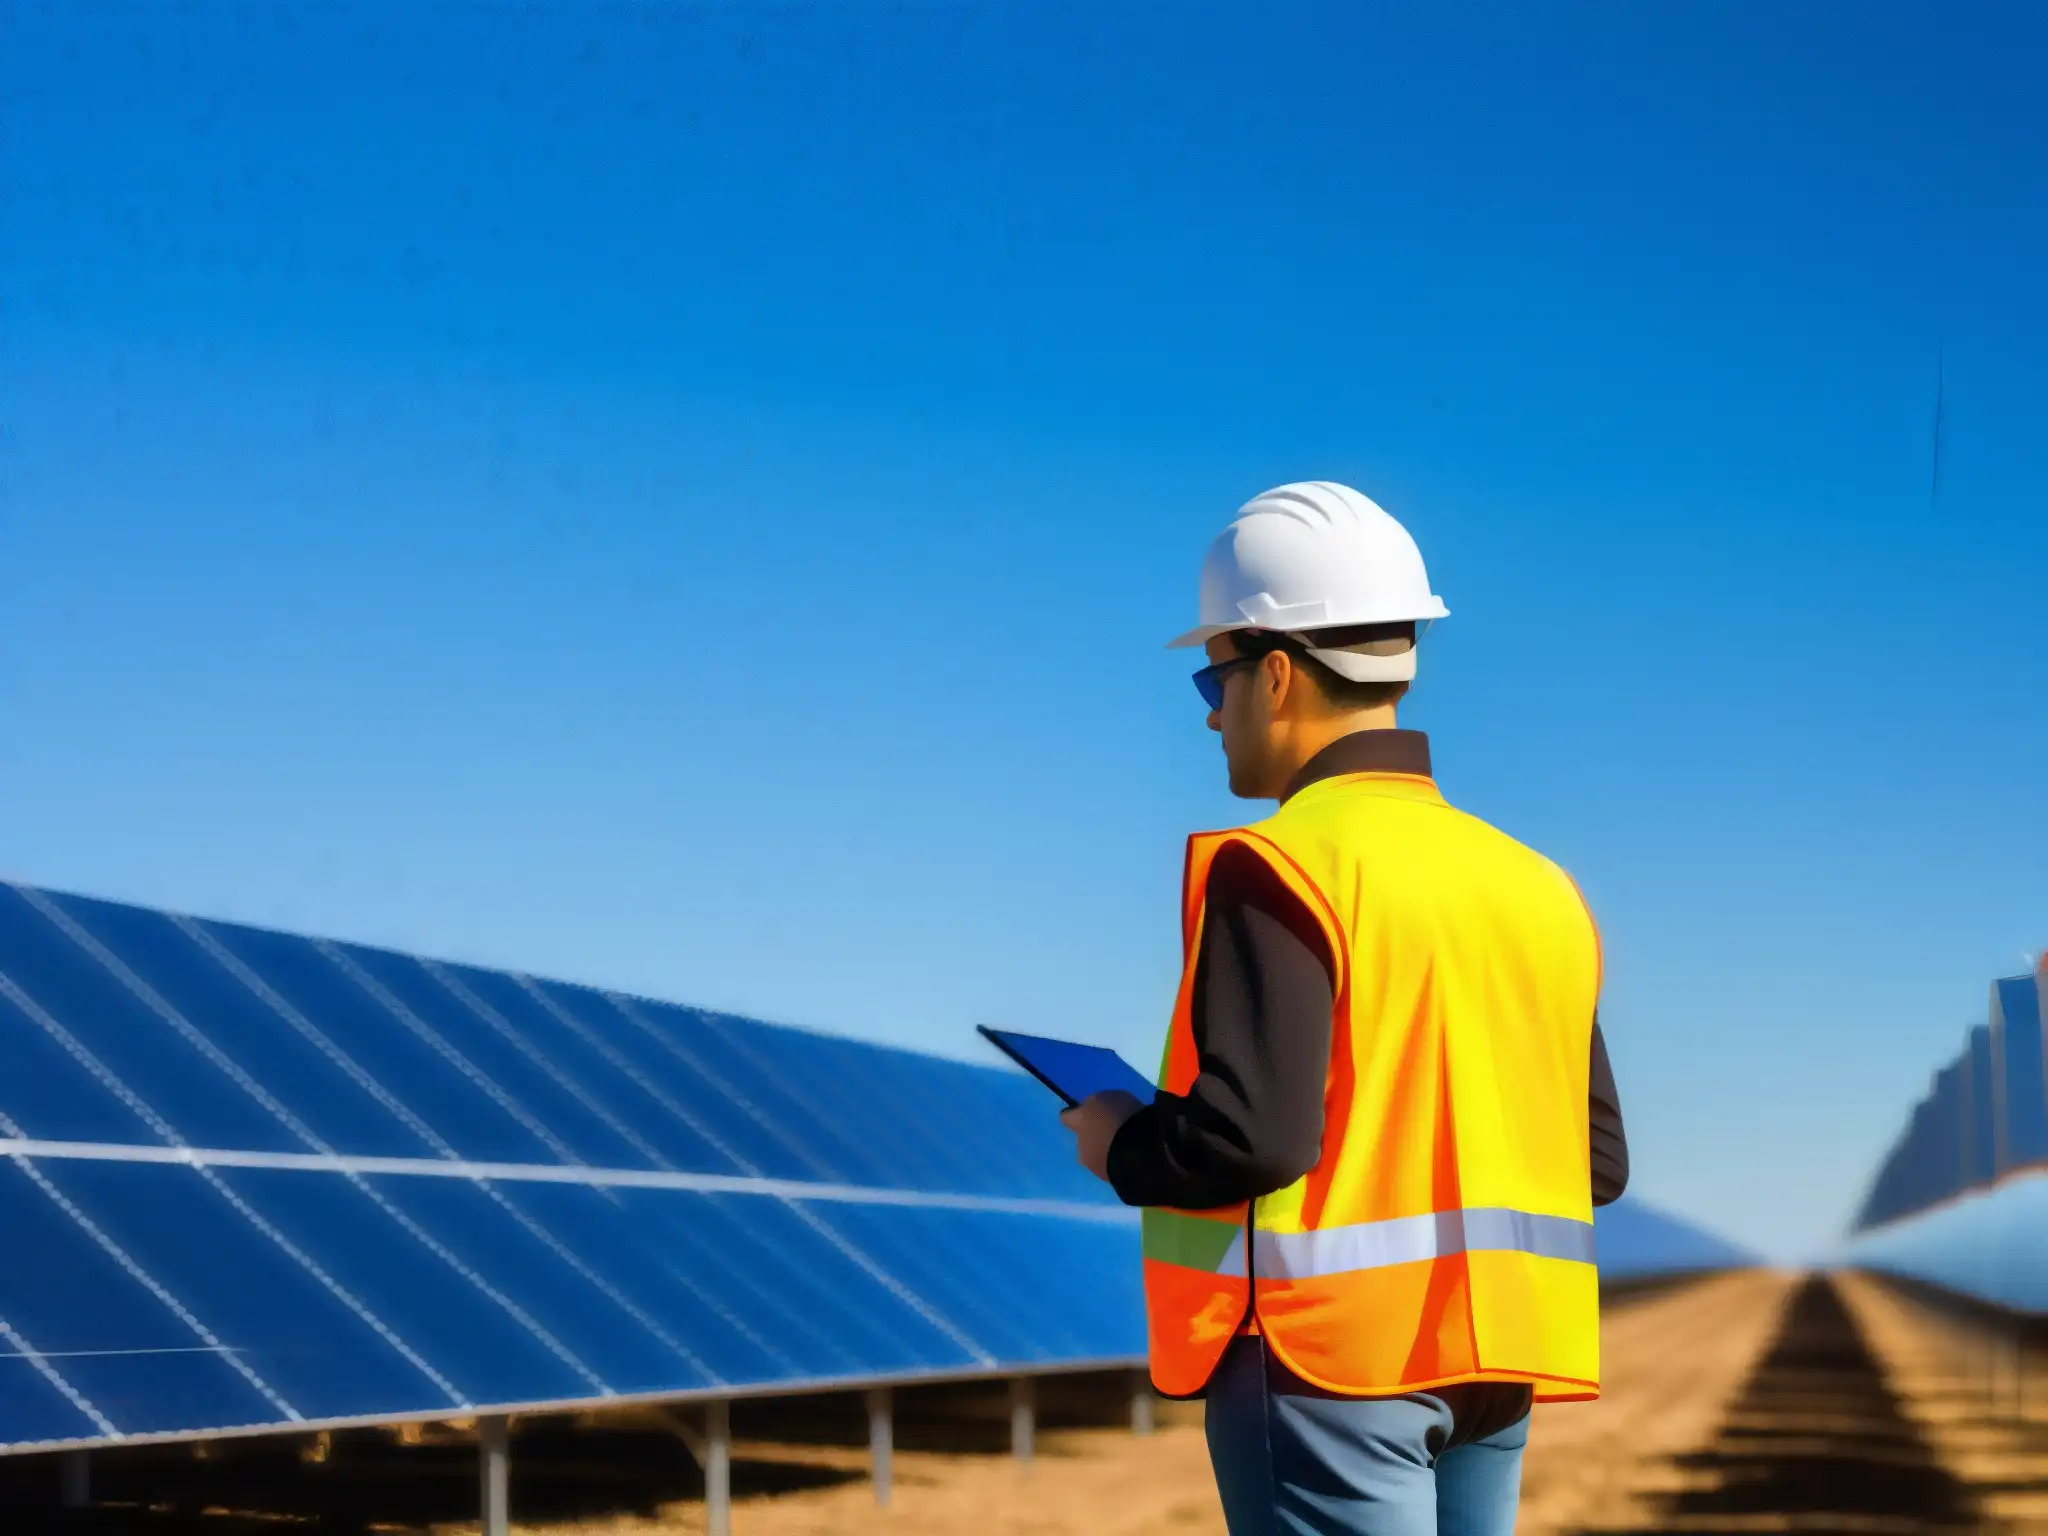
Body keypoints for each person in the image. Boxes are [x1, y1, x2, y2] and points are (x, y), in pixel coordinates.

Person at [1061, 481, 1628, 1536]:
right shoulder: (1538, 887)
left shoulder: (1277, 867)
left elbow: (1250, 1139)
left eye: (1211, 680)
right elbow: (1593, 1164)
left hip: (1329, 1364)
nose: (1209, 715)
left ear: (1272, 673)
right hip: (1496, 1361)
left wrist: (1119, 1142)